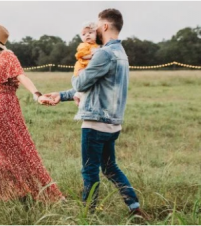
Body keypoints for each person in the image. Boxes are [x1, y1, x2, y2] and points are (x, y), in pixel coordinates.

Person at [43, 9, 149, 219]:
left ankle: (87, 216)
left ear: (106, 26)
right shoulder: (121, 54)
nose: (96, 30)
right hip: (113, 123)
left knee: (90, 171)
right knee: (110, 168)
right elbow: (96, 87)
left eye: (98, 26)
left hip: (95, 123)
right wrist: (61, 95)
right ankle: (134, 208)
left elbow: (82, 82)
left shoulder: (104, 53)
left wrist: (78, 73)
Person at [0, 23, 64, 202]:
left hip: (3, 108)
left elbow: (21, 76)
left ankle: (22, 191)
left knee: (16, 149)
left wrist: (37, 95)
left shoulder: (7, 56)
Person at [73, 22, 100, 106]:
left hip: (89, 67)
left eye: (90, 33)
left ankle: (78, 95)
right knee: (85, 82)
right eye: (84, 34)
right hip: (82, 66)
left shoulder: (97, 45)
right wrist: (91, 56)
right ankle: (78, 95)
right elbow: (81, 55)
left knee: (90, 83)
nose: (87, 35)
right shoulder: (83, 45)